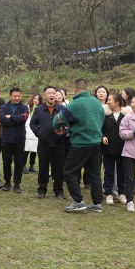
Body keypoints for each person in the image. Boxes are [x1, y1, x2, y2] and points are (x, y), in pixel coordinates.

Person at [53, 79, 106, 213]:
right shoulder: (96, 102)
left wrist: (59, 128)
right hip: (96, 143)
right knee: (94, 173)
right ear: (87, 88)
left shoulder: (75, 104)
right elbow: (101, 119)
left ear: (75, 89)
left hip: (81, 143)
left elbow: (58, 120)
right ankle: (97, 203)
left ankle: (78, 201)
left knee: (69, 171)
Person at [30, 86, 68, 199]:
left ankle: (58, 190)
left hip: (59, 143)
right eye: (49, 93)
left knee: (59, 168)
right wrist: (39, 133)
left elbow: (68, 124)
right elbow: (33, 123)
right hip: (44, 144)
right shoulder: (39, 109)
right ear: (44, 95)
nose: (51, 95)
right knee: (43, 167)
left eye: (53, 93)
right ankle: (42, 189)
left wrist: (64, 132)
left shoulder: (62, 109)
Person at [0, 87, 29, 193]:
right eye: (15, 96)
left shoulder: (24, 107)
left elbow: (24, 118)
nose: (17, 98)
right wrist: (16, 119)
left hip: (19, 139)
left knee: (19, 163)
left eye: (19, 96)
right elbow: (2, 119)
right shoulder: (4, 107)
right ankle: (7, 181)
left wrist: (11, 117)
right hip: (6, 139)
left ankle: (17, 183)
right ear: (10, 96)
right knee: (6, 162)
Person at [101, 92, 127, 205]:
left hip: (123, 149)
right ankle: (108, 193)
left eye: (110, 100)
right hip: (108, 149)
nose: (107, 102)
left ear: (116, 102)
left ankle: (122, 193)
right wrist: (103, 136)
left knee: (122, 172)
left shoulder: (126, 116)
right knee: (109, 172)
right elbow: (100, 129)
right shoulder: (105, 116)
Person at [23, 94, 41, 174]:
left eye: (38, 99)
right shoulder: (27, 107)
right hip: (27, 129)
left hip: (36, 130)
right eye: (35, 98)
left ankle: (31, 165)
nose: (36, 100)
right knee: (26, 149)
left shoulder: (40, 108)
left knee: (34, 149)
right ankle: (23, 165)